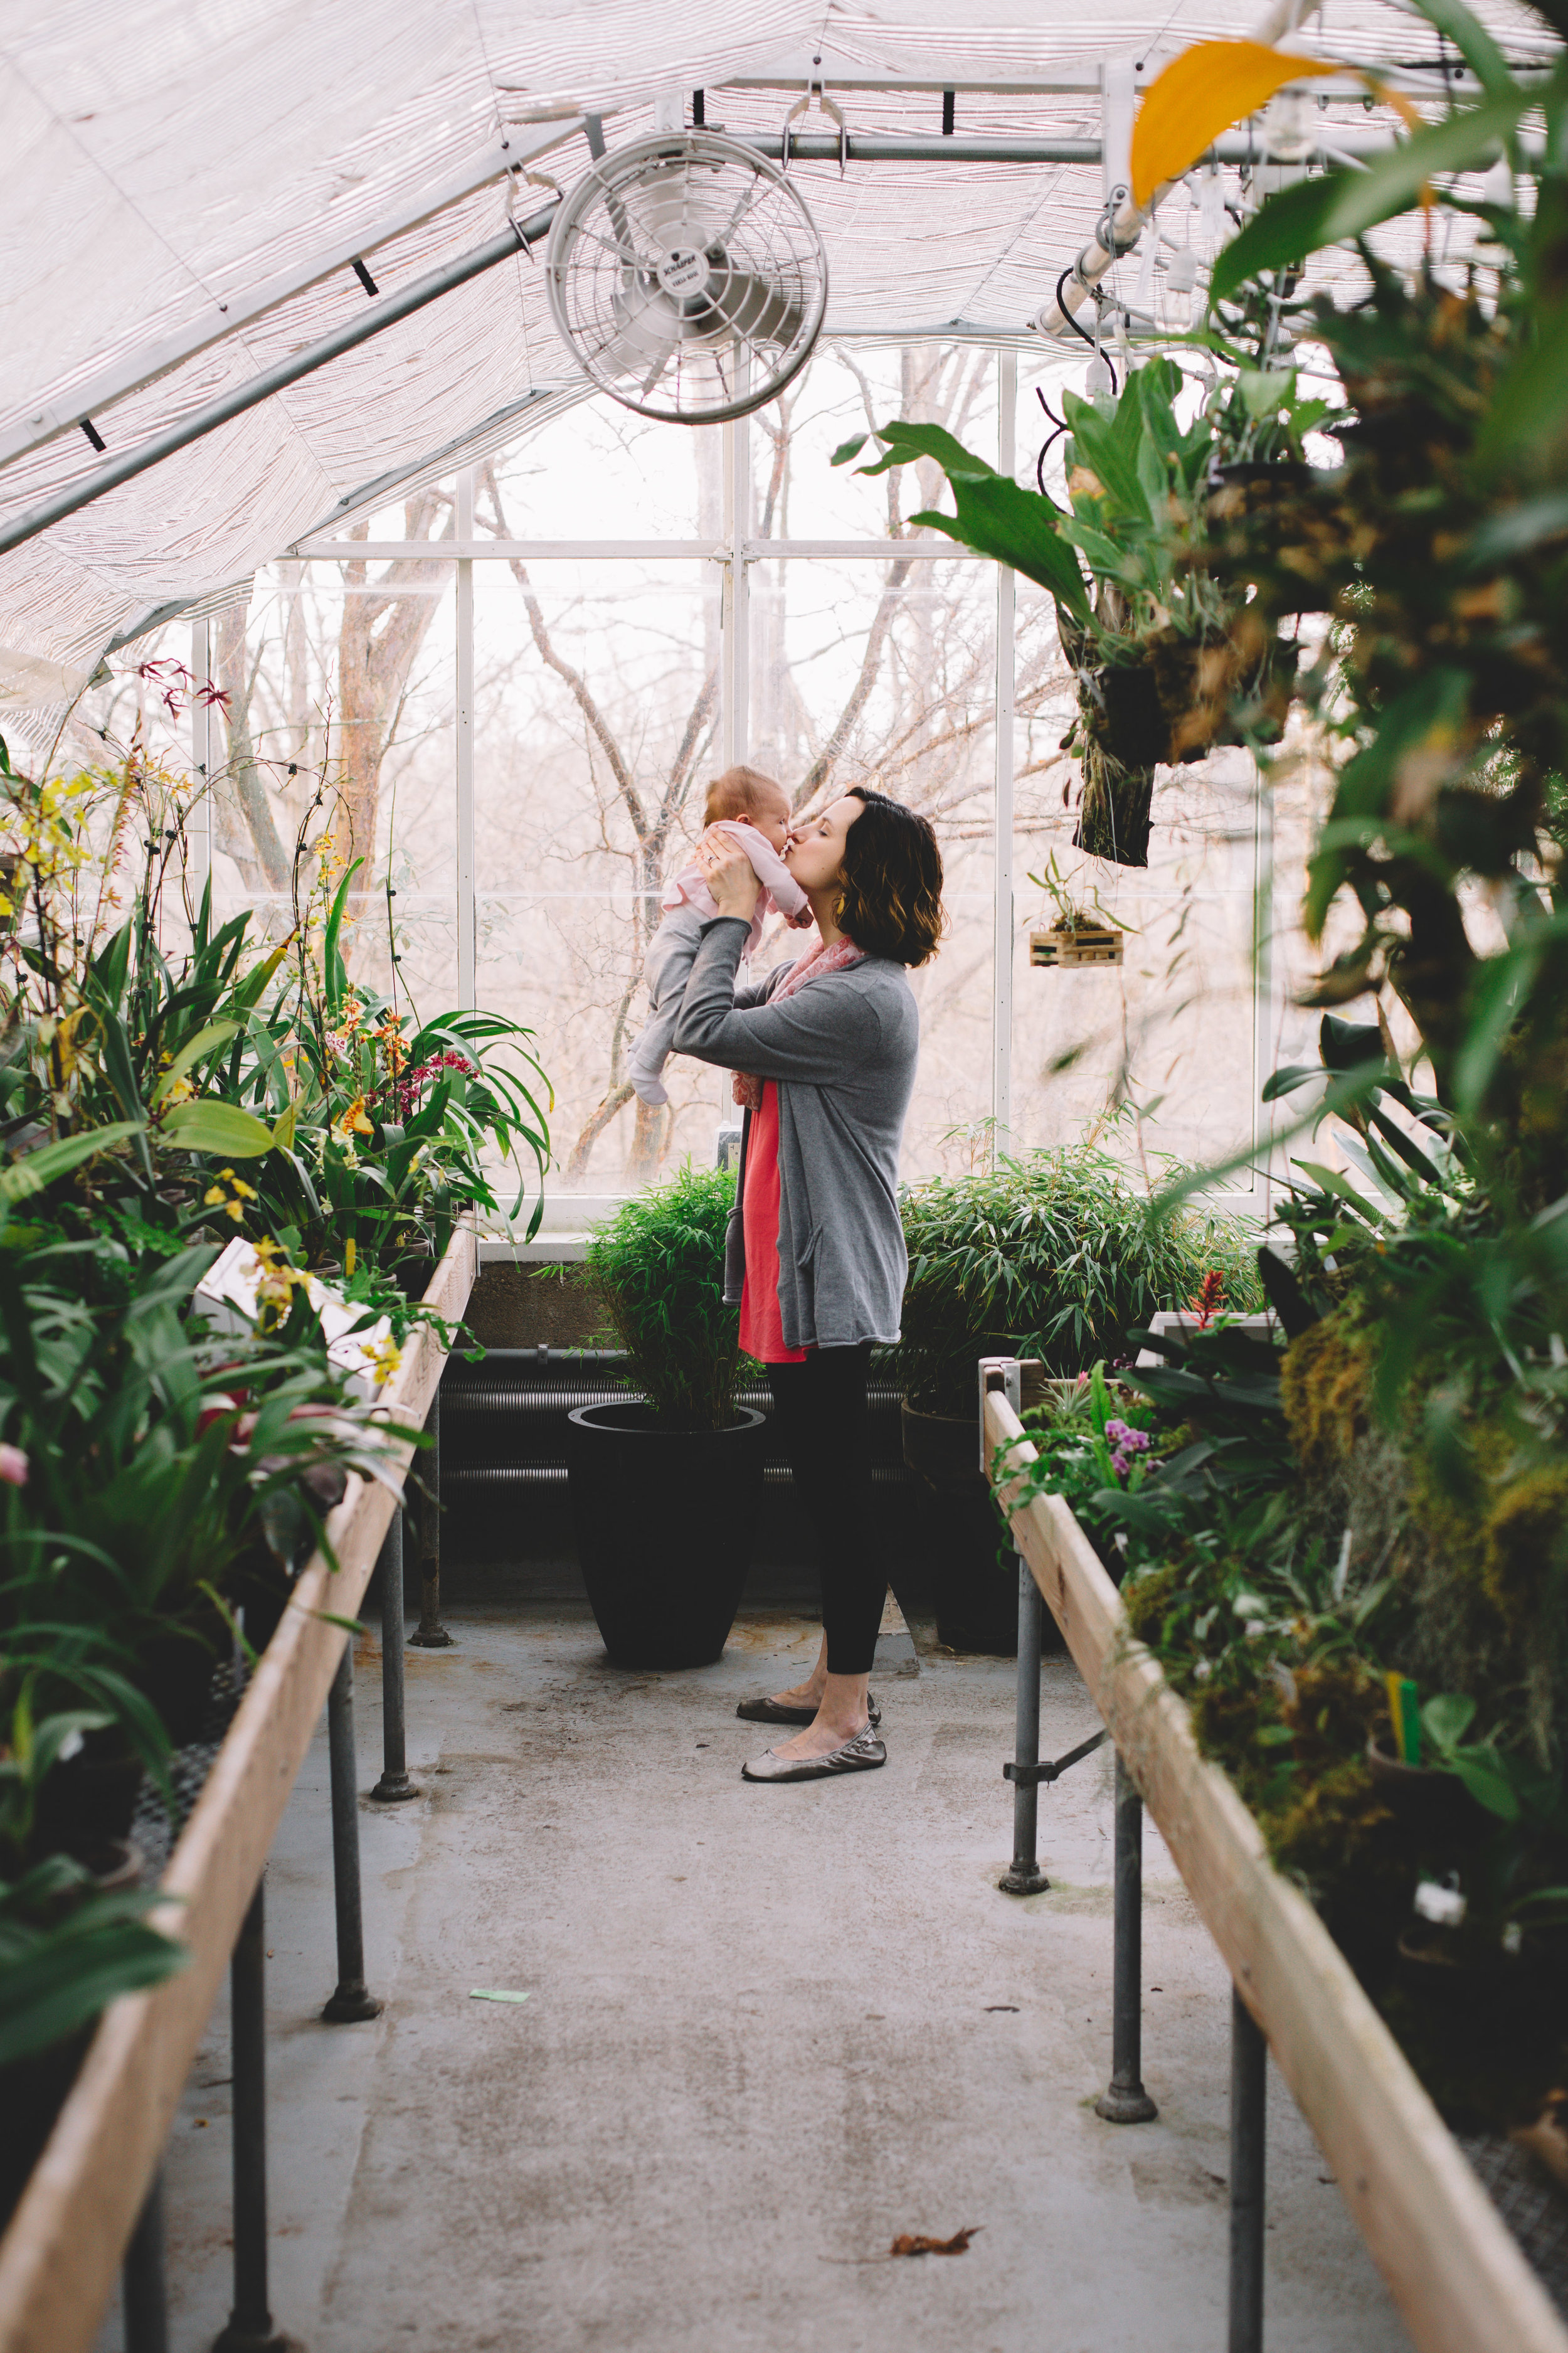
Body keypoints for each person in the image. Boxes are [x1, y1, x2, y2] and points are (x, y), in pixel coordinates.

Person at [672, 787, 945, 1784]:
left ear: (864, 870)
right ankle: (835, 1674)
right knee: (830, 1485)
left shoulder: (860, 995)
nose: (795, 834)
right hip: (797, 1265)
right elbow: (689, 1011)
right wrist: (717, 918)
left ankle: (848, 1718)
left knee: (837, 1496)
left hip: (829, 1271)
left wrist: (735, 912)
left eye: (822, 830)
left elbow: (699, 1025)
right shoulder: (815, 969)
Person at [627, 765, 810, 1109]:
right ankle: (647, 1069)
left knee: (663, 1006)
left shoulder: (731, 841)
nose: (790, 832)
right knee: (676, 1007)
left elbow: (759, 894)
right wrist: (797, 907)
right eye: (782, 821)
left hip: (671, 943)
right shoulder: (746, 840)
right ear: (746, 822)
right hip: (684, 943)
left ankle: (640, 1051)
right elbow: (779, 881)